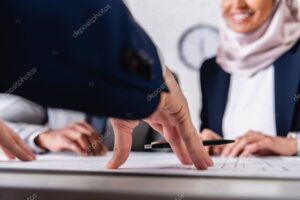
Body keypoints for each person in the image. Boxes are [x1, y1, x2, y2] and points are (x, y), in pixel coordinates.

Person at [0, 0, 212, 169]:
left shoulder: (160, 84)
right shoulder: (44, 70)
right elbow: (6, 121)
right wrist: (44, 137)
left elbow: (170, 143)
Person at [200, 0, 300, 157]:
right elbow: (209, 131)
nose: (237, 4)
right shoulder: (212, 70)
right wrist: (209, 144)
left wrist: (295, 144)